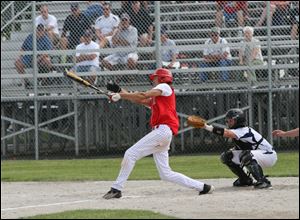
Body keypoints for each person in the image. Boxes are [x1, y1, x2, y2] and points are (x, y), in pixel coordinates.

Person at [103, 68, 215, 199]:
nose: (153, 81)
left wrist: (120, 96)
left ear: (162, 78)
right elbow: (139, 100)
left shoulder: (164, 87)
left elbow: (143, 95)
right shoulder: (159, 97)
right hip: (162, 133)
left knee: (130, 154)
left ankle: (116, 189)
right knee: (165, 173)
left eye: (155, 78)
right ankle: (203, 187)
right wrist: (119, 91)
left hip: (162, 130)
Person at [199, 108, 277, 189]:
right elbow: (243, 146)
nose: (228, 123)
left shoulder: (244, 130)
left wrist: (206, 127)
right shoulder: (237, 131)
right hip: (257, 154)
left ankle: (263, 181)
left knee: (247, 156)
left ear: (238, 120)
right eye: (227, 121)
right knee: (226, 156)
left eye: (230, 120)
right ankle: (245, 179)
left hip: (269, 155)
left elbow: (226, 133)